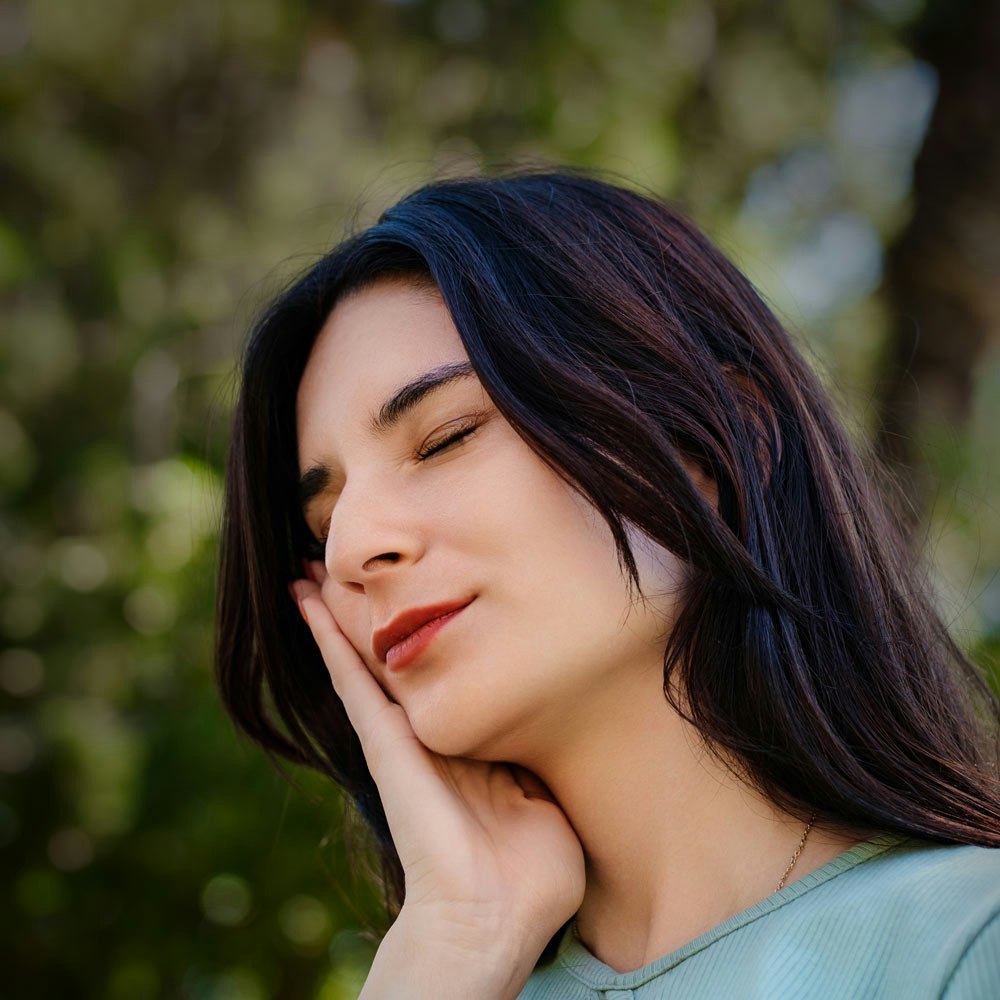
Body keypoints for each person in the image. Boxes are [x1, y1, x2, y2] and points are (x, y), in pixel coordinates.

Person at [215, 169, 1000, 998]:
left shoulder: (963, 945)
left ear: (713, 451)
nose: (349, 551)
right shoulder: (446, 976)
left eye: (445, 437)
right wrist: (450, 951)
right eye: (321, 522)